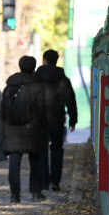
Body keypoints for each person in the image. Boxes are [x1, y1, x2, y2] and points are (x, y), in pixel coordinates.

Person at [2, 56, 47, 203]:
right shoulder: (38, 86)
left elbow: (2, 110)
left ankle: (14, 195)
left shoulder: (9, 87)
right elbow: (42, 109)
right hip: (33, 129)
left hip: (13, 130)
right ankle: (35, 192)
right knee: (36, 160)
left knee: (14, 162)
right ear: (34, 67)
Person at [35, 49, 77, 191]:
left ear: (44, 60)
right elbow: (71, 100)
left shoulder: (36, 78)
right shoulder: (63, 79)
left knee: (41, 149)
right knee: (57, 149)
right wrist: (73, 120)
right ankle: (55, 181)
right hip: (57, 119)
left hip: (39, 119)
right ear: (56, 60)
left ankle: (44, 180)